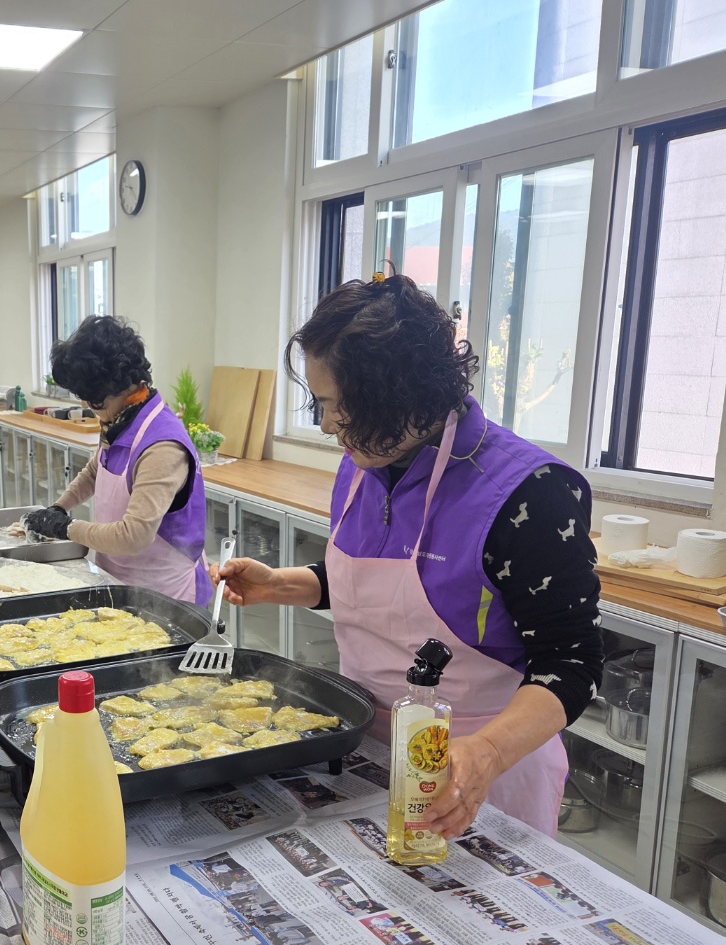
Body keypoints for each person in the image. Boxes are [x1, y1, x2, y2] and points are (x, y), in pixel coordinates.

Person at [213, 276, 603, 837]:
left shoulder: (529, 493)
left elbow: (572, 662)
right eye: (320, 405)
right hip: (362, 751)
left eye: (337, 407)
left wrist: (487, 754)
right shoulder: (363, 464)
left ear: (398, 393)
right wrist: (280, 584)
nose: (325, 425)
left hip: (474, 772)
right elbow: (369, 584)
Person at [24, 316, 212, 605]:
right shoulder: (121, 421)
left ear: (115, 385)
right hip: (117, 580)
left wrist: (65, 528)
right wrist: (59, 507)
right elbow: (96, 470)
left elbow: (134, 536)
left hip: (166, 595)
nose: (86, 405)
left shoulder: (162, 445)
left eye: (92, 398)